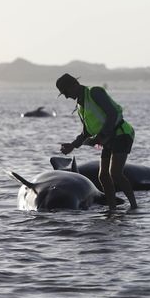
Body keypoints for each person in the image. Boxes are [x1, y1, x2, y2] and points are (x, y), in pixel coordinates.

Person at [56, 73, 137, 210]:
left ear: (74, 85)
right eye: (63, 94)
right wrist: (72, 145)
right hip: (107, 140)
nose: (66, 96)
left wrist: (101, 135)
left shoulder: (94, 92)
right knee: (103, 176)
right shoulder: (80, 106)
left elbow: (113, 113)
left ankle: (134, 206)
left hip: (121, 134)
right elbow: (86, 132)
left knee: (115, 174)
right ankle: (112, 209)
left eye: (66, 92)